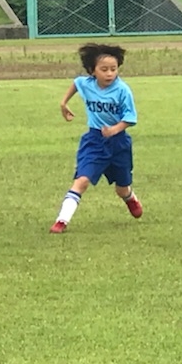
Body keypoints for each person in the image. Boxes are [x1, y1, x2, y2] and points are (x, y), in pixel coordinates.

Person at [49, 43, 143, 233]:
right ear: (92, 71)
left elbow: (130, 118)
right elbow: (77, 83)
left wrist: (115, 129)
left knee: (121, 189)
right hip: (94, 141)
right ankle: (61, 221)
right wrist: (63, 102)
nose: (109, 74)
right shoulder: (87, 84)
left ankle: (129, 197)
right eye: (104, 69)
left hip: (119, 143)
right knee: (81, 180)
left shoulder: (122, 90)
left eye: (113, 69)